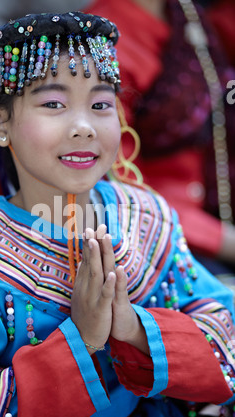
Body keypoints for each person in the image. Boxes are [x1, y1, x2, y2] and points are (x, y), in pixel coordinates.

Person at [0, 11, 234, 417]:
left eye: (100, 105)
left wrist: (134, 330)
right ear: (0, 123)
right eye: (54, 104)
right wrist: (82, 338)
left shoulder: (145, 217)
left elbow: (223, 327)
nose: (84, 126)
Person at [84, 0, 235, 278]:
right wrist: (222, 239)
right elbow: (120, 185)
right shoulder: (100, 38)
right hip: (155, 232)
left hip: (214, 211)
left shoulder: (188, 14)